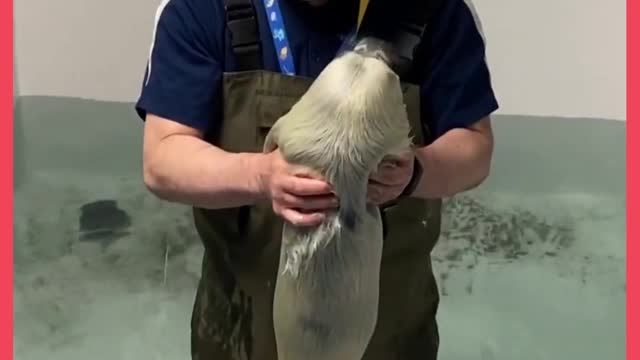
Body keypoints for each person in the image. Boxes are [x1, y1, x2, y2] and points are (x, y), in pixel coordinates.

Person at [135, 0, 498, 359]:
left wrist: (418, 171)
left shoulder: (436, 11)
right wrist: (261, 175)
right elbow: (163, 159)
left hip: (392, 334)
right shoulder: (200, 9)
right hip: (241, 334)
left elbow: (475, 148)